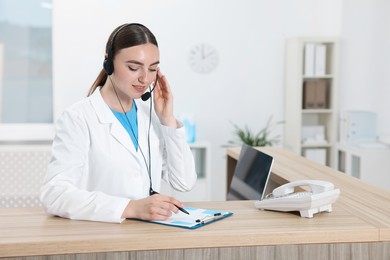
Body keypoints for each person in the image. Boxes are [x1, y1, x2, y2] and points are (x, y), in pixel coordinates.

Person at [40, 23, 197, 223]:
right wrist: (130, 207)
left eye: (152, 69)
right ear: (109, 62)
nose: (145, 78)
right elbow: (55, 194)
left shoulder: (151, 116)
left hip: (146, 236)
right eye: (133, 68)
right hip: (101, 238)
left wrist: (167, 119)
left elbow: (184, 182)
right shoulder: (78, 118)